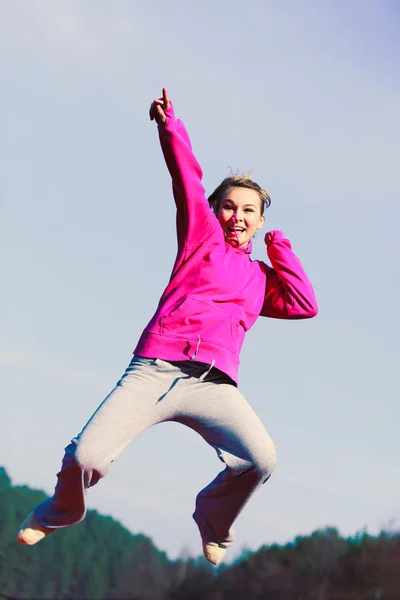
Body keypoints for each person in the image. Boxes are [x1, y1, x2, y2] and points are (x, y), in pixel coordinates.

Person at [17, 89, 318, 565]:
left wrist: (279, 246)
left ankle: (213, 521)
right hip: (156, 369)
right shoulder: (201, 240)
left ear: (259, 221)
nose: (236, 217)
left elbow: (304, 303)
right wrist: (170, 126)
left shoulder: (261, 280)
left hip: (215, 387)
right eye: (229, 207)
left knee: (261, 460)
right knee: (86, 458)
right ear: (216, 211)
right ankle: (59, 510)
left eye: (248, 211)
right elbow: (187, 179)